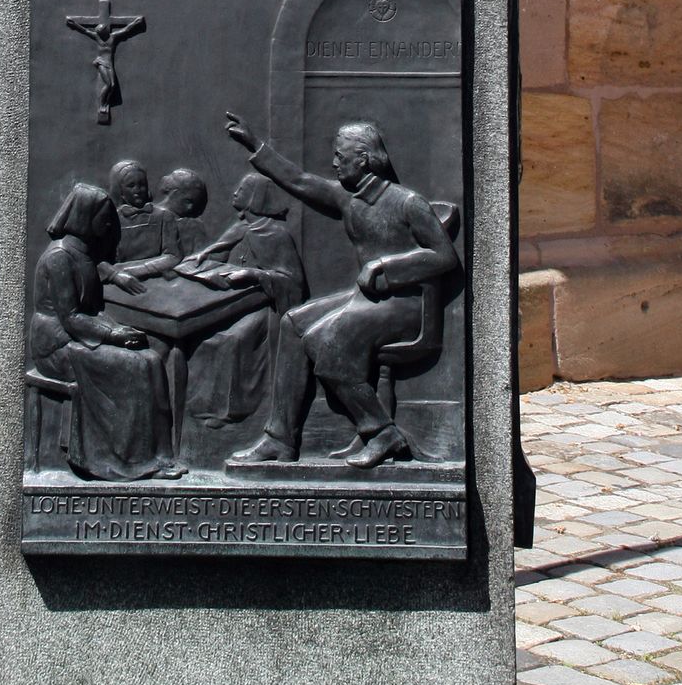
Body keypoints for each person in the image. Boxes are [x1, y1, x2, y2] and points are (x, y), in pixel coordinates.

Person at [225, 116, 458, 469]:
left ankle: (382, 433)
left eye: (340, 155)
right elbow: (299, 180)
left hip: (405, 307)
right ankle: (279, 439)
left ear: (362, 159)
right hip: (368, 300)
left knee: (327, 342)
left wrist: (385, 267)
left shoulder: (407, 202)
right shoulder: (348, 197)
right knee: (293, 323)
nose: (334, 163)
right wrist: (255, 145)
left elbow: (444, 256)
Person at [27, 182, 182, 480]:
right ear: (85, 217)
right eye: (104, 218)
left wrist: (118, 328)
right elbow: (71, 317)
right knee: (133, 367)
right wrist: (113, 335)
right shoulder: (59, 257)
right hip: (57, 346)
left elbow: (92, 307)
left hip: (79, 336)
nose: (109, 224)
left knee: (151, 360)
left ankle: (161, 455)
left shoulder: (83, 254)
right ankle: (127, 460)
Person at [179, 174, 306, 426]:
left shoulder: (276, 235)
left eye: (242, 189)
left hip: (265, 308)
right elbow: (222, 250)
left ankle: (229, 410)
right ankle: (201, 405)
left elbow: (293, 283)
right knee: (203, 338)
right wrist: (203, 257)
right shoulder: (241, 228)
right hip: (233, 303)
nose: (235, 192)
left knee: (230, 340)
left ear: (254, 198)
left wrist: (254, 275)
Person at [104, 159, 182, 287]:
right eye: (131, 185)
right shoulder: (112, 220)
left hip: (159, 284)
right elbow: (100, 260)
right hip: (121, 286)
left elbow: (173, 256)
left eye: (142, 185)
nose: (138, 190)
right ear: (120, 190)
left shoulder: (164, 216)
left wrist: (129, 270)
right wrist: (115, 274)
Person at [157, 168, 209, 256]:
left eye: (195, 203)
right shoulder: (147, 217)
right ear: (174, 193)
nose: (190, 207)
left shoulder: (194, 227)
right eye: (187, 201)